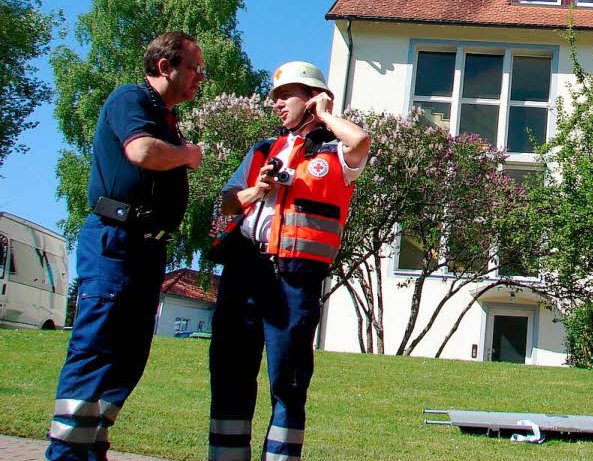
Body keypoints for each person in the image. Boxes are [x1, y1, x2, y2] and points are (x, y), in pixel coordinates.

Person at [47, 32, 205, 461]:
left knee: (129, 356)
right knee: (97, 346)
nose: (200, 78)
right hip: (114, 243)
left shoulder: (165, 115)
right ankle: (64, 454)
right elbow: (141, 152)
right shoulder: (129, 100)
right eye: (194, 68)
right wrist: (188, 155)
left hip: (146, 250)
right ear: (164, 66)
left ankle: (91, 445)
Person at [207, 61, 370, 461]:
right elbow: (227, 201)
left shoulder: (335, 153)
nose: (276, 103)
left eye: (286, 95)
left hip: (294, 278)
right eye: (274, 96)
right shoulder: (263, 148)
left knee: (289, 380)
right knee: (229, 371)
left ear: (312, 97)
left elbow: (361, 141)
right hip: (244, 271)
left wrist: (328, 115)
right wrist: (255, 189)